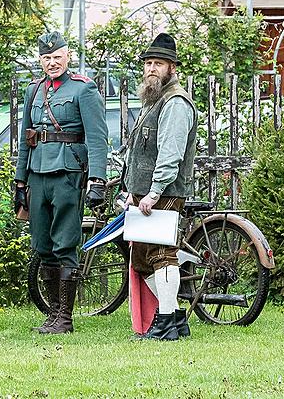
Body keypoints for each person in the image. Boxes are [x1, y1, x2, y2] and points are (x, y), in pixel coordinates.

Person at [13, 31, 108, 334]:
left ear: (68, 56)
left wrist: (97, 179)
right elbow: (26, 138)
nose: (52, 62)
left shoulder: (84, 89)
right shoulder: (34, 90)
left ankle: (64, 317)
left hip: (68, 173)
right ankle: (53, 313)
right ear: (40, 60)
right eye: (46, 58)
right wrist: (19, 180)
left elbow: (97, 138)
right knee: (42, 244)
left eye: (57, 57)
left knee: (65, 242)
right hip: (38, 173)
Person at [123, 33, 197, 341]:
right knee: (142, 259)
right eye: (149, 63)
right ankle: (175, 315)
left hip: (165, 191)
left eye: (159, 63)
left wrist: (154, 191)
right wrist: (132, 189)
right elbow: (139, 150)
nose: (152, 68)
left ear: (172, 68)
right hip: (145, 191)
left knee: (162, 254)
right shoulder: (152, 99)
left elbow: (170, 152)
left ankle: (166, 320)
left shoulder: (176, 102)